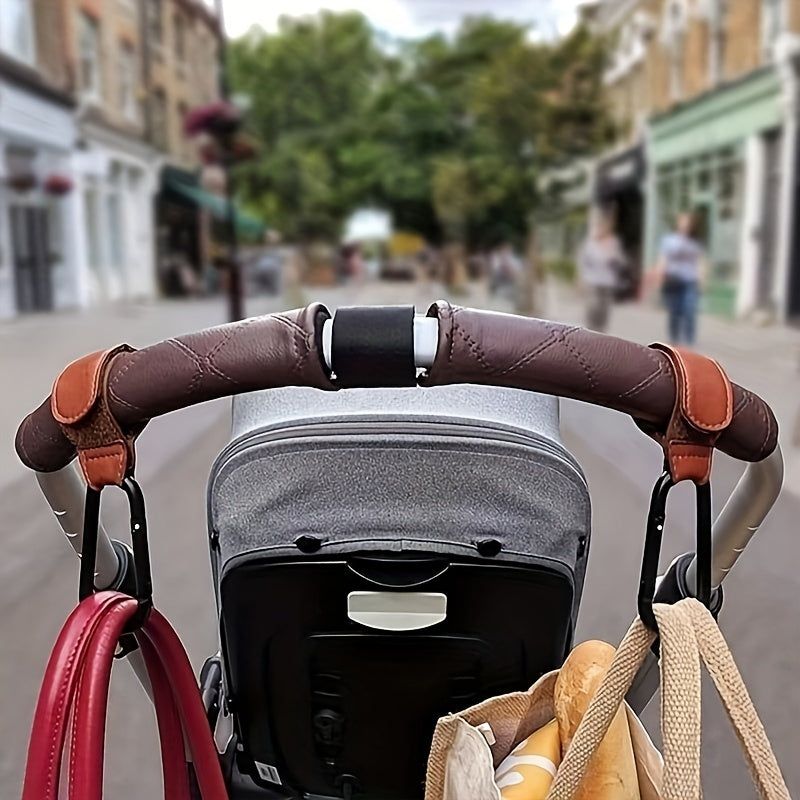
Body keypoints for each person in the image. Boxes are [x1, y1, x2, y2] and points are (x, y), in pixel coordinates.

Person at [654, 211, 706, 346]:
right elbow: (663, 259)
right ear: (678, 223)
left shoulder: (694, 243)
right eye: (683, 222)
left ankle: (689, 341)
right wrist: (659, 276)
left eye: (688, 223)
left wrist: (701, 278)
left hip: (689, 280)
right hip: (673, 279)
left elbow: (699, 262)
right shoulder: (669, 240)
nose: (685, 225)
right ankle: (673, 339)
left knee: (689, 310)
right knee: (674, 311)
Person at [577, 211, 627, 332]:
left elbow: (621, 262)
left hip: (608, 282)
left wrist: (614, 257)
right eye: (599, 227)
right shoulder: (591, 244)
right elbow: (583, 261)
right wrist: (583, 277)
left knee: (604, 311)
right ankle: (589, 332)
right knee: (593, 307)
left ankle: (601, 335)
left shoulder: (613, 243)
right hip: (593, 281)